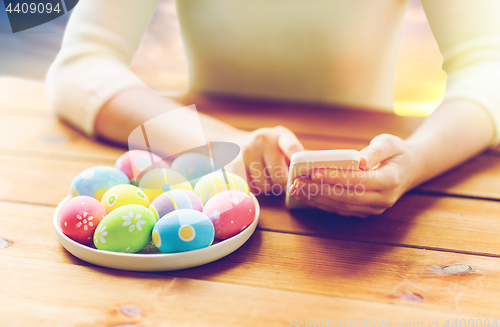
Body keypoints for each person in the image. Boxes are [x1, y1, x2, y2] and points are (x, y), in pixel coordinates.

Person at [47, 0, 500, 218]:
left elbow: (490, 65)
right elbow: (80, 66)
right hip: (217, 200)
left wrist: (416, 160)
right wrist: (226, 147)